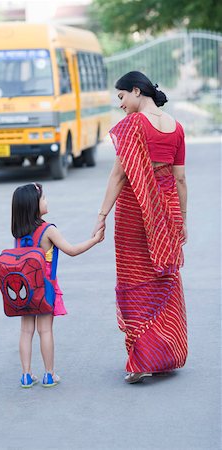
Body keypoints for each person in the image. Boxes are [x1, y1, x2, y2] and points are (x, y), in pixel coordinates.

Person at [93, 71, 188, 384]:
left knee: (135, 280)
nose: (120, 104)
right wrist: (182, 219)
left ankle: (140, 361)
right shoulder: (177, 127)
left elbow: (119, 176)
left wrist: (102, 214)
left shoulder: (134, 125)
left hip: (136, 211)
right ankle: (164, 354)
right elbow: (180, 179)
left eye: (121, 96)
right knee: (163, 280)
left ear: (136, 90)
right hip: (168, 211)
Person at [12, 183, 104, 388]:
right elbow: (71, 250)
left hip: (24, 290)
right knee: (45, 331)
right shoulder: (48, 230)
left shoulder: (18, 233)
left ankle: (26, 375)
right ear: (34, 205)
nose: (47, 201)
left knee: (26, 331)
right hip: (45, 289)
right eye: (44, 198)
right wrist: (95, 240)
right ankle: (49, 374)